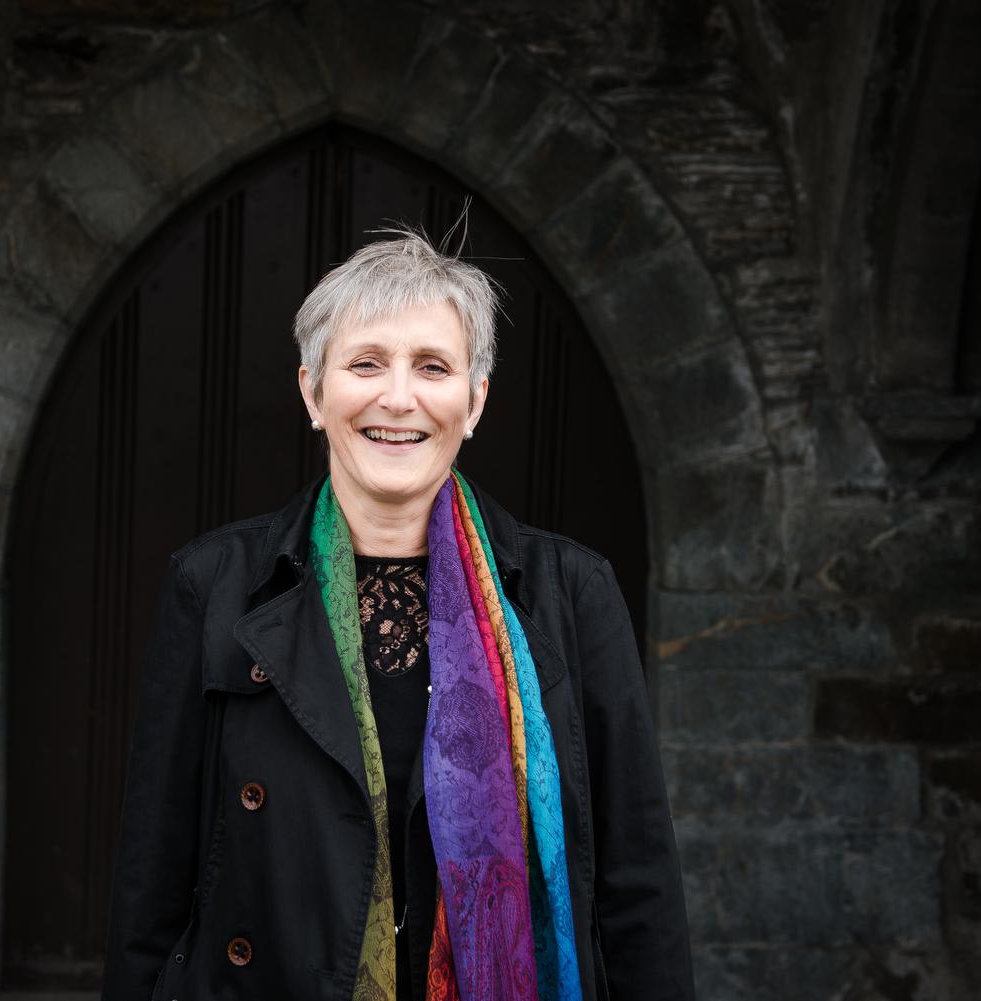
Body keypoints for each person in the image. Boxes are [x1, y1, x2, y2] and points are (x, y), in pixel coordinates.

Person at [103, 229, 693, 1001]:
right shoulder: (211, 584)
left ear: (475, 401)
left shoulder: (572, 592)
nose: (398, 397)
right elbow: (151, 881)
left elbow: (638, 881)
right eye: (366, 363)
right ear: (313, 392)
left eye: (433, 367)